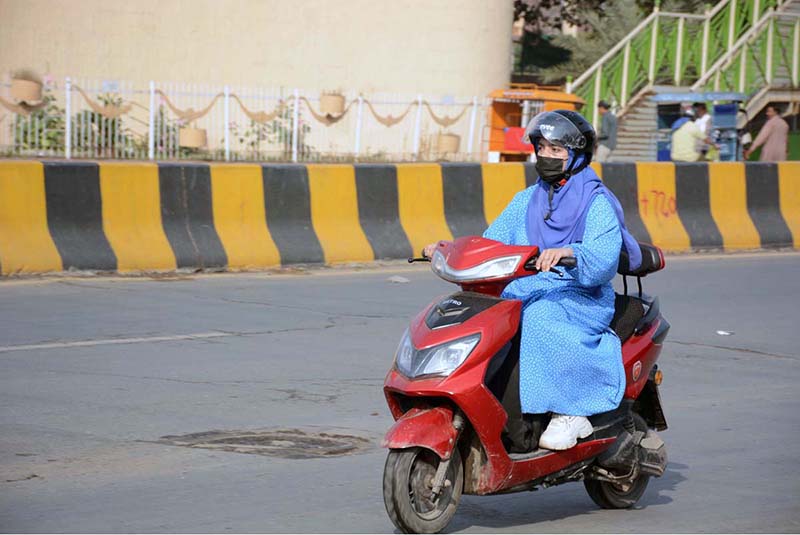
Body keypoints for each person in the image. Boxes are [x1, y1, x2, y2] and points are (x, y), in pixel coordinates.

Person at [424, 110, 643, 451]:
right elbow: (491, 242)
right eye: (541, 148)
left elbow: (602, 261)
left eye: (556, 150)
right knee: (484, 319)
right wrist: (446, 248)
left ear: (576, 156)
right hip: (528, 289)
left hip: (578, 295)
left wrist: (568, 253)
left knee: (540, 318)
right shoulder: (527, 200)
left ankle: (568, 412)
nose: (546, 156)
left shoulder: (596, 203)